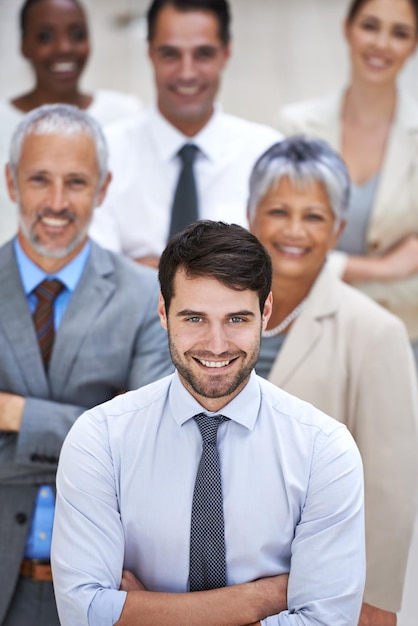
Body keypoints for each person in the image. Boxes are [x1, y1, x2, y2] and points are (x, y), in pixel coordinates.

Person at [51, 220, 365, 626]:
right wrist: (263, 598)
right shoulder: (101, 440)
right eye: (194, 319)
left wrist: (145, 611)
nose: (216, 345)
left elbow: (326, 622)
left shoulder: (324, 451)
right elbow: (84, 614)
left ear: (265, 312)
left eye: (236, 319)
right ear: (163, 312)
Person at [0, 103, 172, 625]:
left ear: (102, 188)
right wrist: (100, 424)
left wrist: (15, 416)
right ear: (11, 182)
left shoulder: (147, 296)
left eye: (75, 182)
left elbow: (151, 451)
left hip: (107, 590)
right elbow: (115, 447)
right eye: (38, 179)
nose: (56, 202)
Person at [247, 136, 418, 626]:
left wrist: (376, 601)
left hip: (320, 589)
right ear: (250, 213)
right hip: (213, 578)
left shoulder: (375, 331)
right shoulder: (214, 314)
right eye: (279, 211)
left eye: (315, 216)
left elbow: (391, 487)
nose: (295, 231)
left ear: (339, 227)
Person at [277, 0, 418, 473]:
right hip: (309, 341)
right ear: (347, 29)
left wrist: (327, 267)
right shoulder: (298, 126)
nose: (381, 44)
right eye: (370, 26)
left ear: (416, 44)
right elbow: (281, 254)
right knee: (302, 485)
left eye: (398, 32)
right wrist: (381, 269)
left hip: (403, 344)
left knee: (391, 496)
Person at [89, 0, 282, 268]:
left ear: (226, 53)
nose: (187, 73)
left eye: (203, 54)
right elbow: (97, 274)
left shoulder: (267, 155)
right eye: (170, 54)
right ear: (150, 54)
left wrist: (135, 268)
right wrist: (227, 270)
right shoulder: (105, 153)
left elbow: (278, 271)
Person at [0, 0, 143, 246]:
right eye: (45, 36)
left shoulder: (126, 115)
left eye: (77, 34)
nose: (64, 47)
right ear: (24, 45)